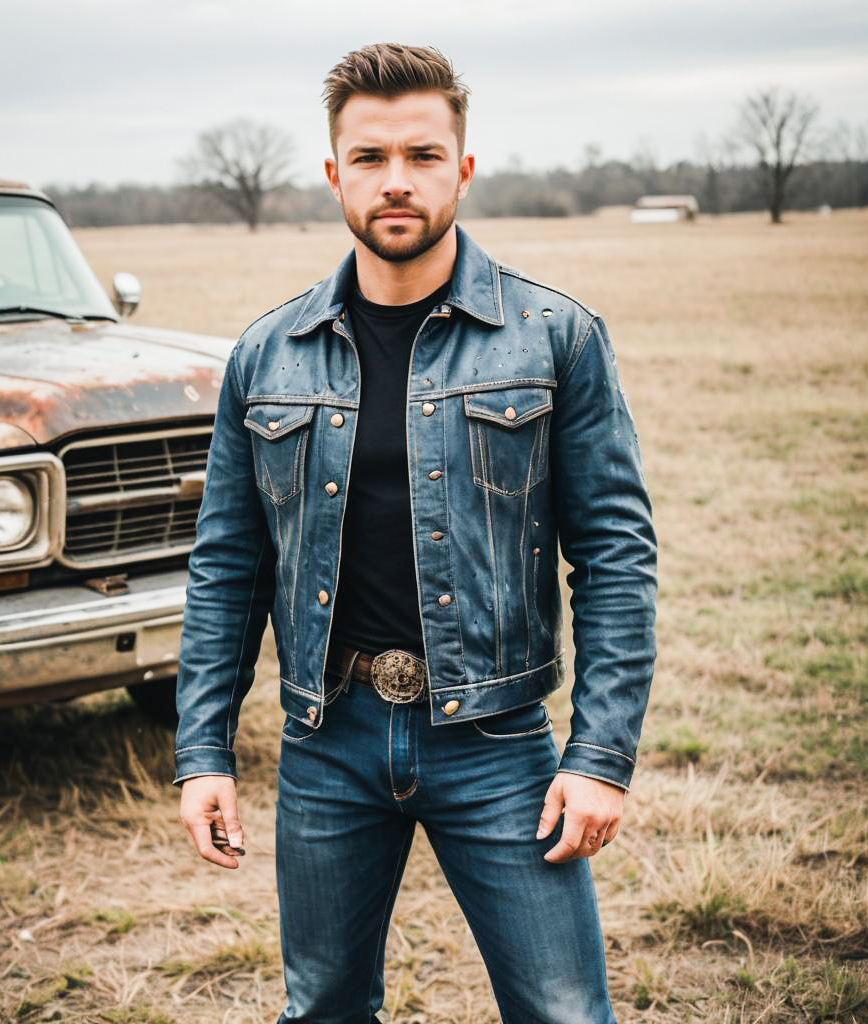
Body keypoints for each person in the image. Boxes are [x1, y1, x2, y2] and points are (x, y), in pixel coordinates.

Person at [174, 42, 657, 1024]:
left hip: (496, 742)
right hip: (325, 741)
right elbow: (227, 565)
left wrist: (598, 754)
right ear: (332, 174)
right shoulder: (267, 354)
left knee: (565, 1012)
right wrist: (204, 751)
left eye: (423, 156)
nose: (396, 181)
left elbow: (613, 554)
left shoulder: (554, 335)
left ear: (463, 169)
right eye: (369, 157)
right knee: (322, 1009)